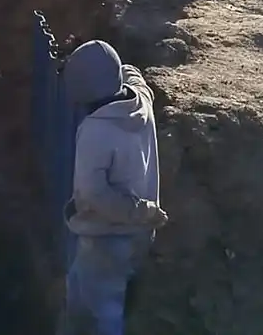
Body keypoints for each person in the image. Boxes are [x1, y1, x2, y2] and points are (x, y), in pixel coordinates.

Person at [58, 40, 165, 335]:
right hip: (140, 233)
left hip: (105, 238)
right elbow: (133, 75)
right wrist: (144, 214)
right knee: (92, 301)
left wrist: (137, 211)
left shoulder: (96, 130)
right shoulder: (141, 101)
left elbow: (91, 194)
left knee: (99, 315)